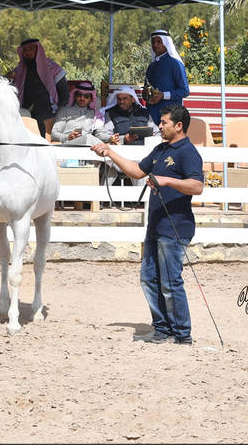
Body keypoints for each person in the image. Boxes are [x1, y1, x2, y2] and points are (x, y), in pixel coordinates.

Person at [91, 104, 204, 345]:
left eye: (164, 123)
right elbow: (136, 170)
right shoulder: (161, 149)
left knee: (171, 282)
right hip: (155, 226)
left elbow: (197, 186)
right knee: (149, 279)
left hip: (175, 227)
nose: (160, 126)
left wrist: (166, 180)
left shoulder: (188, 152)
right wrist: (110, 153)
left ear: (179, 125)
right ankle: (162, 329)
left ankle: (182, 334)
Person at [12, 38, 68, 138]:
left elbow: (64, 95)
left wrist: (59, 116)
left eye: (31, 49)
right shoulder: (18, 70)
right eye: (25, 50)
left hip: (49, 110)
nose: (27, 52)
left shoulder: (53, 68)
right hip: (25, 110)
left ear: (38, 50)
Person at [144, 29, 190, 125]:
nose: (155, 45)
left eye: (159, 42)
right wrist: (145, 94)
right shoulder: (151, 66)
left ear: (166, 43)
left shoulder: (175, 64)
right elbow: (146, 90)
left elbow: (185, 91)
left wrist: (163, 95)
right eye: (153, 42)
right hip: (152, 115)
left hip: (171, 115)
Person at [51, 80, 112, 147]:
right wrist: (68, 137)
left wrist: (110, 138)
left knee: (91, 139)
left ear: (91, 99)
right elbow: (54, 134)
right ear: (75, 96)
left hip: (88, 148)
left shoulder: (95, 114)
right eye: (79, 95)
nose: (82, 98)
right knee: (88, 138)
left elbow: (100, 134)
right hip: (68, 146)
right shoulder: (65, 111)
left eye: (86, 96)